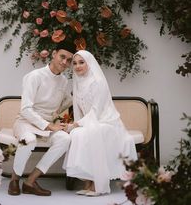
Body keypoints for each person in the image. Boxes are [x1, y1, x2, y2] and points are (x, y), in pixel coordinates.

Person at [63, 50, 138, 196]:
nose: (78, 66)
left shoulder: (98, 81)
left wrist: (76, 124)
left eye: (81, 62)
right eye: (75, 63)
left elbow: (96, 111)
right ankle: (87, 181)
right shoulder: (78, 82)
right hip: (89, 122)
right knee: (77, 133)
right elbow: (79, 110)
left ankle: (99, 184)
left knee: (90, 133)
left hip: (107, 122)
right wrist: (76, 124)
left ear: (89, 63)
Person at [8, 41, 76, 196]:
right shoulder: (34, 76)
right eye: (62, 57)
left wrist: (59, 112)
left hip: (47, 125)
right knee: (29, 140)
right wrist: (48, 125)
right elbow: (25, 109)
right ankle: (14, 179)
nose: (64, 62)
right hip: (26, 122)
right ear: (54, 54)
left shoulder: (64, 81)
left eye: (69, 60)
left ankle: (30, 182)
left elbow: (67, 100)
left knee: (65, 139)